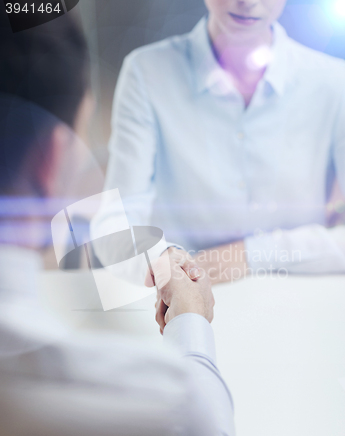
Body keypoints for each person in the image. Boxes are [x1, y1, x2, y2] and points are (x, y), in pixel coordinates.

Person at [0, 7, 235, 436]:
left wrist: (147, 255)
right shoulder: (158, 417)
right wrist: (191, 326)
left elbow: (61, 235)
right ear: (52, 159)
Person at [92, 0, 345, 285]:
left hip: (302, 307)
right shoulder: (147, 73)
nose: (247, 2)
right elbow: (115, 223)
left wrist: (252, 254)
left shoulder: (334, 82)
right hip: (182, 304)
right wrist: (161, 262)